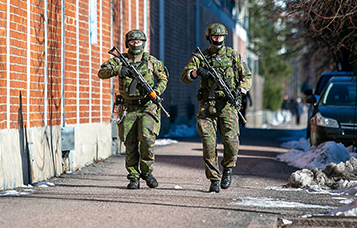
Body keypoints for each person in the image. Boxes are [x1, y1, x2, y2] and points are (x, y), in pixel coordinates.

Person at [180, 23, 252, 193]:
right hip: (207, 105)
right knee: (208, 142)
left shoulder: (234, 56)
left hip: (228, 104)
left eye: (220, 36)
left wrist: (239, 91)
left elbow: (247, 76)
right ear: (209, 37)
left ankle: (227, 168)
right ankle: (214, 178)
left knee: (231, 141)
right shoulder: (200, 57)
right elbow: (185, 76)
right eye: (214, 36)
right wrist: (197, 72)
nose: (218, 39)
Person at [98, 29, 169, 189]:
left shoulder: (152, 61)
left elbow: (163, 79)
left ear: (143, 43)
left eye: (138, 42)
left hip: (147, 106)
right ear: (127, 43)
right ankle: (133, 177)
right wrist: (118, 70)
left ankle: (147, 172)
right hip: (128, 107)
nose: (135, 44)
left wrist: (155, 92)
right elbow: (101, 73)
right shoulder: (120, 60)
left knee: (146, 138)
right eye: (132, 42)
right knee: (129, 143)